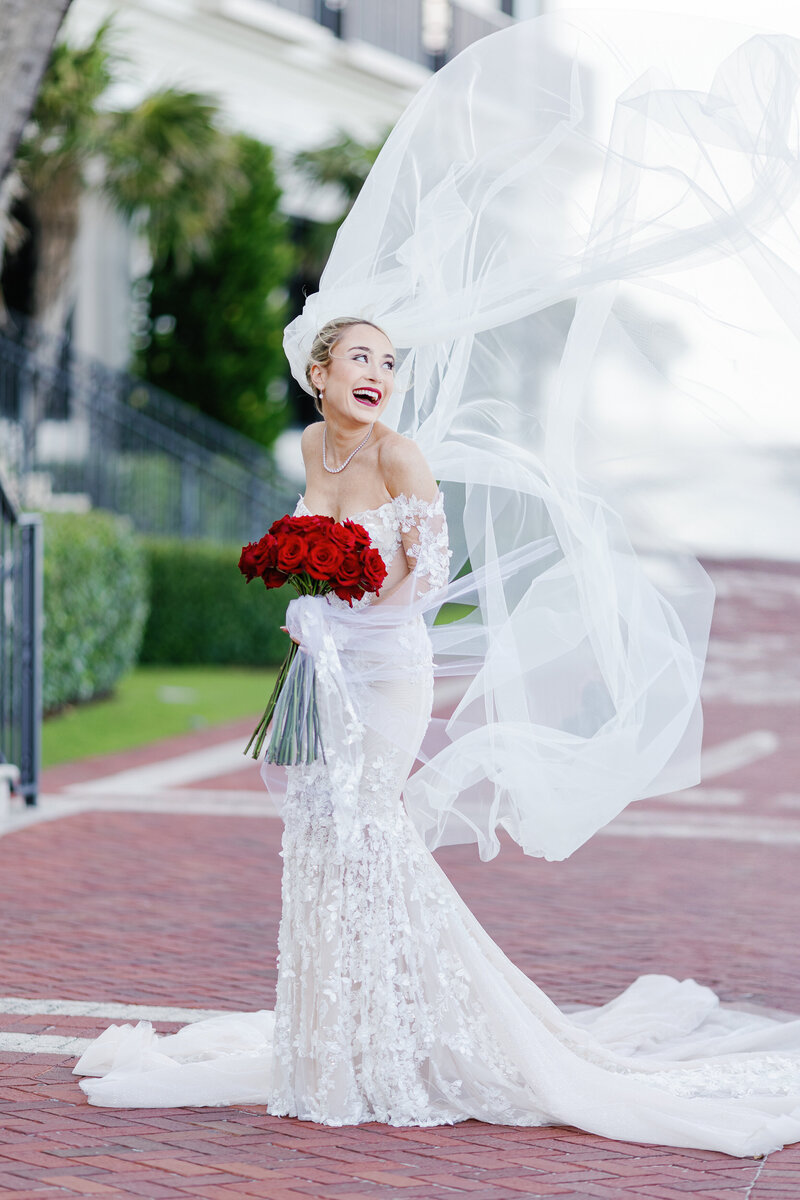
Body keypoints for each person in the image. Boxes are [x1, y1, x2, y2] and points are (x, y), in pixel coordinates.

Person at [73, 10, 800, 1157]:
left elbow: (426, 578)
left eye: (388, 362)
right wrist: (300, 585)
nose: (377, 376)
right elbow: (308, 532)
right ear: (318, 373)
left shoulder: (405, 455)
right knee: (317, 842)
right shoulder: (317, 454)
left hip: (386, 661)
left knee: (369, 834)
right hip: (320, 660)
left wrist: (354, 591)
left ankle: (418, 1037)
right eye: (359, 360)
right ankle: (333, 1035)